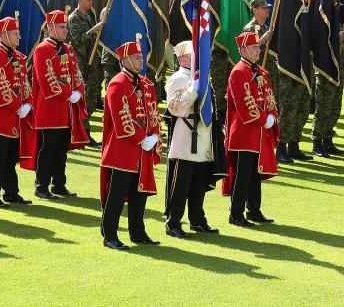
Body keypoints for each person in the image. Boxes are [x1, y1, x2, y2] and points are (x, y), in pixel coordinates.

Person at [100, 39, 162, 250]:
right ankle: (109, 235)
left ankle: (138, 232)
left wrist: (154, 135)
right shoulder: (117, 83)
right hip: (122, 149)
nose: (141, 61)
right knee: (116, 195)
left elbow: (153, 112)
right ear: (124, 60)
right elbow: (121, 117)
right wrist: (142, 138)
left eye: (141, 57)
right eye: (136, 58)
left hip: (142, 149)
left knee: (139, 193)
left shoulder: (146, 83)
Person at [164, 40, 221, 238]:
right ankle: (173, 222)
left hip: (203, 134)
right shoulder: (178, 78)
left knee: (199, 182)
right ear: (183, 58)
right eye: (193, 54)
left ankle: (197, 219)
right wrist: (193, 89)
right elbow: (174, 107)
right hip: (187, 133)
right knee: (181, 184)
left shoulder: (203, 77)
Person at [223, 31, 279, 227]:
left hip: (259, 130)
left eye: (258, 46)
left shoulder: (261, 72)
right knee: (242, 174)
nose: (259, 49)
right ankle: (236, 213)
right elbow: (244, 104)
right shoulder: (239, 72)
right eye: (255, 47)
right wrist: (265, 118)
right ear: (243, 50)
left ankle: (254, 210)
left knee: (256, 172)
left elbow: (269, 96)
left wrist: (272, 115)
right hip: (244, 132)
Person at [32, 9, 89, 200]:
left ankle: (59, 184)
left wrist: (79, 91)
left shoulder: (68, 49)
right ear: (50, 28)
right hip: (49, 108)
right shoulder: (42, 49)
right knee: (47, 149)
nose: (66, 30)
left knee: (61, 149)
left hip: (66, 109)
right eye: (62, 27)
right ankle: (41, 186)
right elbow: (47, 80)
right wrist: (68, 93)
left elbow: (77, 74)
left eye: (65, 27)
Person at [0, 16, 33, 207]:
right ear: (4, 35)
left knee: (10, 158)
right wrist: (19, 106)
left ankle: (11, 192)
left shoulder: (18, 56)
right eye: (15, 34)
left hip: (15, 116)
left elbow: (25, 83)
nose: (19, 37)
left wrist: (28, 103)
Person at [66, 0, 106, 147]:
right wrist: (94, 30)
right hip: (81, 63)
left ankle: (83, 133)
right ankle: (79, 134)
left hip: (92, 63)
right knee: (81, 99)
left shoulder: (88, 16)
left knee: (90, 100)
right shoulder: (73, 18)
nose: (91, 2)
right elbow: (78, 40)